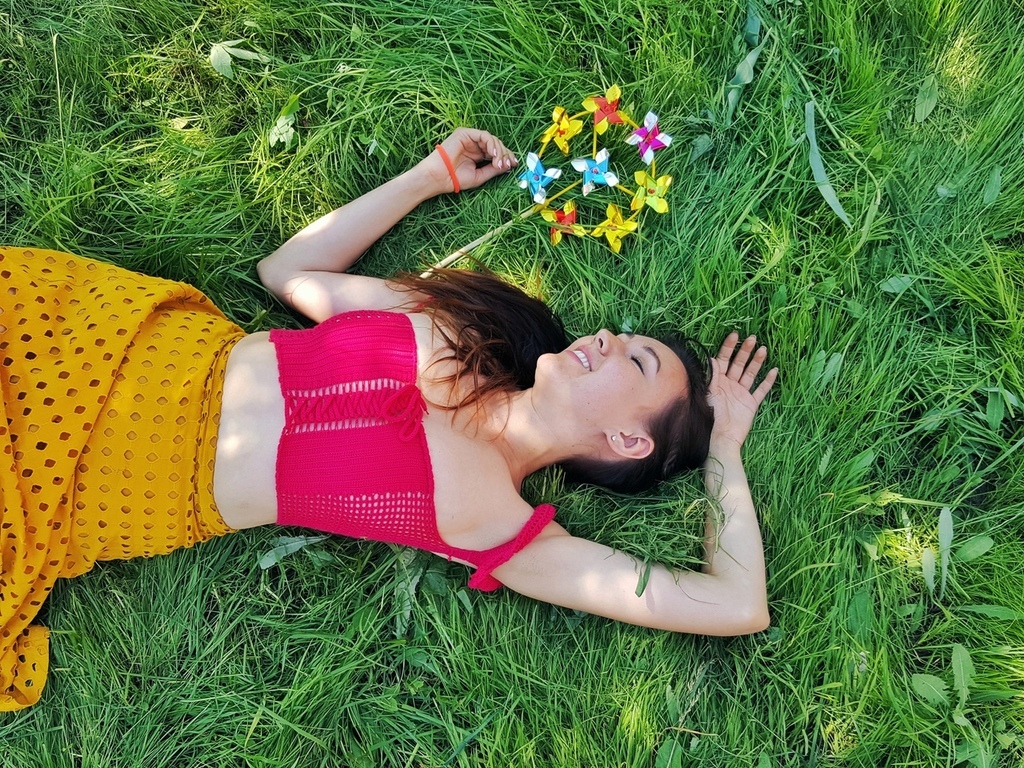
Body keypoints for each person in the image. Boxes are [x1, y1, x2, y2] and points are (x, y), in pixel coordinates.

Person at [0, 128, 777, 711]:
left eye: (636, 361)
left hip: (102, 484)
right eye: (622, 338)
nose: (605, 337)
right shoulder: (457, 332)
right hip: (109, 341)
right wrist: (429, 176)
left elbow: (736, 606)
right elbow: (288, 273)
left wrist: (727, 446)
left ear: (628, 440)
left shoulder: (499, 528)